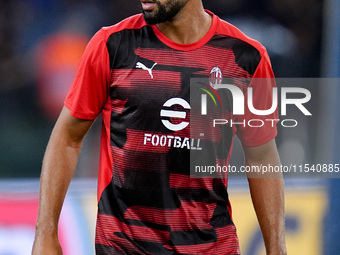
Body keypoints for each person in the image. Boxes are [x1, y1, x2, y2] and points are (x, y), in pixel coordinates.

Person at [32, 0, 286, 254]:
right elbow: (68, 137)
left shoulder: (246, 57)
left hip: (210, 246)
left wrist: (277, 248)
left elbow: (261, 156)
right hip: (124, 246)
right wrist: (45, 234)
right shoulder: (111, 44)